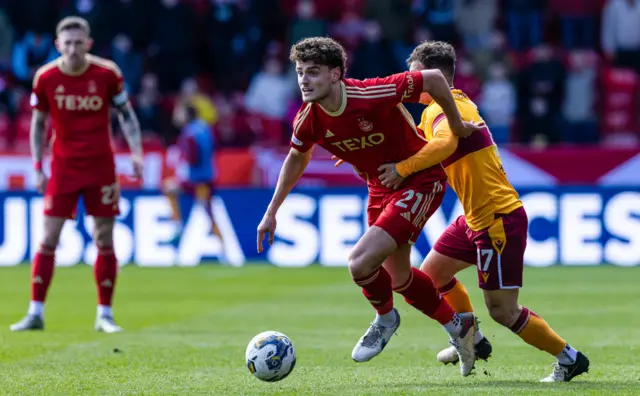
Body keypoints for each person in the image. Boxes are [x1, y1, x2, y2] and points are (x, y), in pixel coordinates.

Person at [256, 37, 482, 376]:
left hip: (419, 181)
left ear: (335, 74)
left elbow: (434, 78)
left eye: (313, 72)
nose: (304, 80)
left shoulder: (370, 93)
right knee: (399, 278)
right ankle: (459, 329)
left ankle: (385, 318)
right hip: (380, 189)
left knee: (359, 263)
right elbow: (296, 157)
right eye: (300, 72)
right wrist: (271, 211)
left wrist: (456, 124)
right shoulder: (308, 119)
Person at [374, 40, 590, 382]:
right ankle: (472, 338)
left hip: (497, 219)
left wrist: (401, 170)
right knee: (431, 277)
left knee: (503, 310)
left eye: (414, 74)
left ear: (434, 77)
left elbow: (444, 144)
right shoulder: (443, 110)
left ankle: (569, 358)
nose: (410, 81)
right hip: (475, 217)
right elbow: (420, 143)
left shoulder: (447, 109)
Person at [10, 17, 143, 333]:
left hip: (101, 167)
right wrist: (38, 166)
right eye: (66, 43)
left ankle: (105, 314)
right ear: (57, 45)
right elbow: (39, 124)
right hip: (63, 167)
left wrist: (136, 152)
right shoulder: (45, 78)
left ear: (88, 43)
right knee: (49, 238)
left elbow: (126, 114)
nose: (72, 48)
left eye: (77, 42)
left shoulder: (108, 73)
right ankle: (35, 312)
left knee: (104, 238)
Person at [163, 101, 224, 254]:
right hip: (208, 177)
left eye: (179, 112)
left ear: (186, 114)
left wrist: (184, 160)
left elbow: (193, 156)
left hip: (198, 179)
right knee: (208, 211)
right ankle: (223, 245)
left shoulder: (190, 132)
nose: (175, 115)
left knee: (169, 188)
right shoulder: (204, 127)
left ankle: (178, 226)